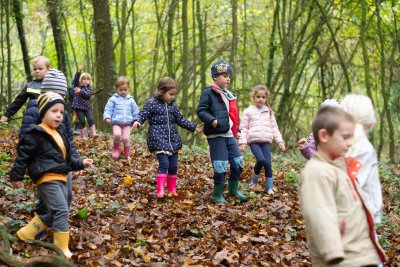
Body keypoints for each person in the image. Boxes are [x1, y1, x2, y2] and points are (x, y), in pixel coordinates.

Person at [10, 91, 93, 259]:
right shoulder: (37, 133)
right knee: (62, 210)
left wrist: (80, 163)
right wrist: (16, 176)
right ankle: (60, 248)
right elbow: (23, 155)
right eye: (54, 111)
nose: (58, 115)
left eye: (61, 112)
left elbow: (66, 159)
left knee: (53, 212)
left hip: (61, 176)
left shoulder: (60, 133)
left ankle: (26, 233)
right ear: (43, 112)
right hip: (47, 178)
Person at [299, 106, 386, 266]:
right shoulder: (317, 172)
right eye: (345, 137)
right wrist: (333, 253)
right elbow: (319, 215)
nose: (350, 143)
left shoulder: (341, 168)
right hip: (342, 259)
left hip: (360, 254)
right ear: (324, 136)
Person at [18, 69, 81, 240]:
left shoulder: (63, 114)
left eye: (61, 95)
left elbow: (68, 139)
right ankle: (40, 229)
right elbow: (25, 138)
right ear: (44, 93)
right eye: (54, 94)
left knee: (66, 196)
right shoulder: (34, 110)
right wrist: (25, 164)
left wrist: (75, 160)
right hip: (44, 165)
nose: (58, 100)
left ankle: (43, 224)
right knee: (49, 199)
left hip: (63, 163)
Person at [133, 77, 203, 198]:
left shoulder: (172, 106)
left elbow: (180, 119)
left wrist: (194, 127)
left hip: (172, 140)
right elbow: (143, 113)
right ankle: (160, 189)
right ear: (161, 91)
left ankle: (171, 189)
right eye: (170, 94)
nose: (172, 97)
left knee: (173, 166)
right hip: (158, 138)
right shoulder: (152, 103)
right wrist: (138, 121)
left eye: (174, 94)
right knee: (164, 163)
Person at [197, 60, 247, 204]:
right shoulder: (209, 92)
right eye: (224, 75)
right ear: (215, 77)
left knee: (238, 162)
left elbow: (233, 115)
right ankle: (218, 194)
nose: (228, 78)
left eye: (229, 76)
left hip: (229, 135)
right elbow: (201, 110)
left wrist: (237, 129)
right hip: (216, 134)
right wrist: (213, 121)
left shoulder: (229, 95)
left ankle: (233, 190)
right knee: (220, 164)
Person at [341, 94, 383, 225]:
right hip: (359, 222)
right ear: (370, 123)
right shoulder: (365, 149)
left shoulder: (336, 143)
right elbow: (354, 185)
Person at [238, 85, 285, 194]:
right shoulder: (248, 111)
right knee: (261, 160)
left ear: (266, 98)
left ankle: (269, 187)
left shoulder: (269, 112)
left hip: (265, 142)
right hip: (254, 141)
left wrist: (280, 141)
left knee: (268, 163)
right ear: (253, 97)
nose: (260, 99)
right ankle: (254, 180)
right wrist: (243, 143)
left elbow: (274, 128)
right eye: (258, 97)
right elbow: (243, 128)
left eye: (263, 97)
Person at [1, 56, 50, 122]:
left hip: (49, 118)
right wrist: (6, 115)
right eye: (35, 69)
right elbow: (18, 101)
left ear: (48, 69)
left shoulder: (53, 84)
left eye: (40, 69)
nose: (37, 71)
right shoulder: (29, 86)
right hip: (33, 118)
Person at [103, 76, 140, 160]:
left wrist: (136, 120)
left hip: (127, 123)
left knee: (126, 138)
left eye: (125, 89)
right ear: (117, 89)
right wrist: (107, 117)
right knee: (117, 135)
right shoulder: (113, 99)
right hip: (116, 122)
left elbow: (136, 112)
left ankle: (127, 153)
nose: (123, 92)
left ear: (129, 88)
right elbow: (108, 109)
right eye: (121, 90)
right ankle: (116, 150)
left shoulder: (131, 100)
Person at [71, 70, 97, 139]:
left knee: (91, 119)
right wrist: (79, 72)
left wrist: (80, 91)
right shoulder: (77, 86)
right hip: (79, 107)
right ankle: (83, 136)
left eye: (87, 79)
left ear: (90, 81)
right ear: (81, 80)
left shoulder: (89, 88)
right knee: (82, 121)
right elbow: (76, 79)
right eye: (84, 79)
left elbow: (87, 94)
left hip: (88, 107)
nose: (86, 81)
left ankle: (93, 133)